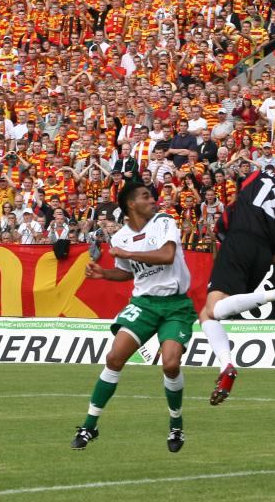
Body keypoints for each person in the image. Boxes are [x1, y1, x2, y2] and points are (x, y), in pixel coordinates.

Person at [73, 183, 196, 454]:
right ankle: (89, 426)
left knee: (170, 365)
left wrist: (128, 254)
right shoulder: (120, 238)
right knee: (114, 357)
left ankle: (176, 423)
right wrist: (104, 274)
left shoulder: (163, 221)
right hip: (144, 304)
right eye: (146, 196)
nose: (153, 200)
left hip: (176, 305)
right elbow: (128, 272)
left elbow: (167, 256)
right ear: (131, 204)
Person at [199, 151, 275, 405]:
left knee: (213, 310)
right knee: (207, 314)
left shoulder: (256, 176)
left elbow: (232, 208)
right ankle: (226, 366)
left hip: (238, 240)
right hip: (262, 255)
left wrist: (223, 237)